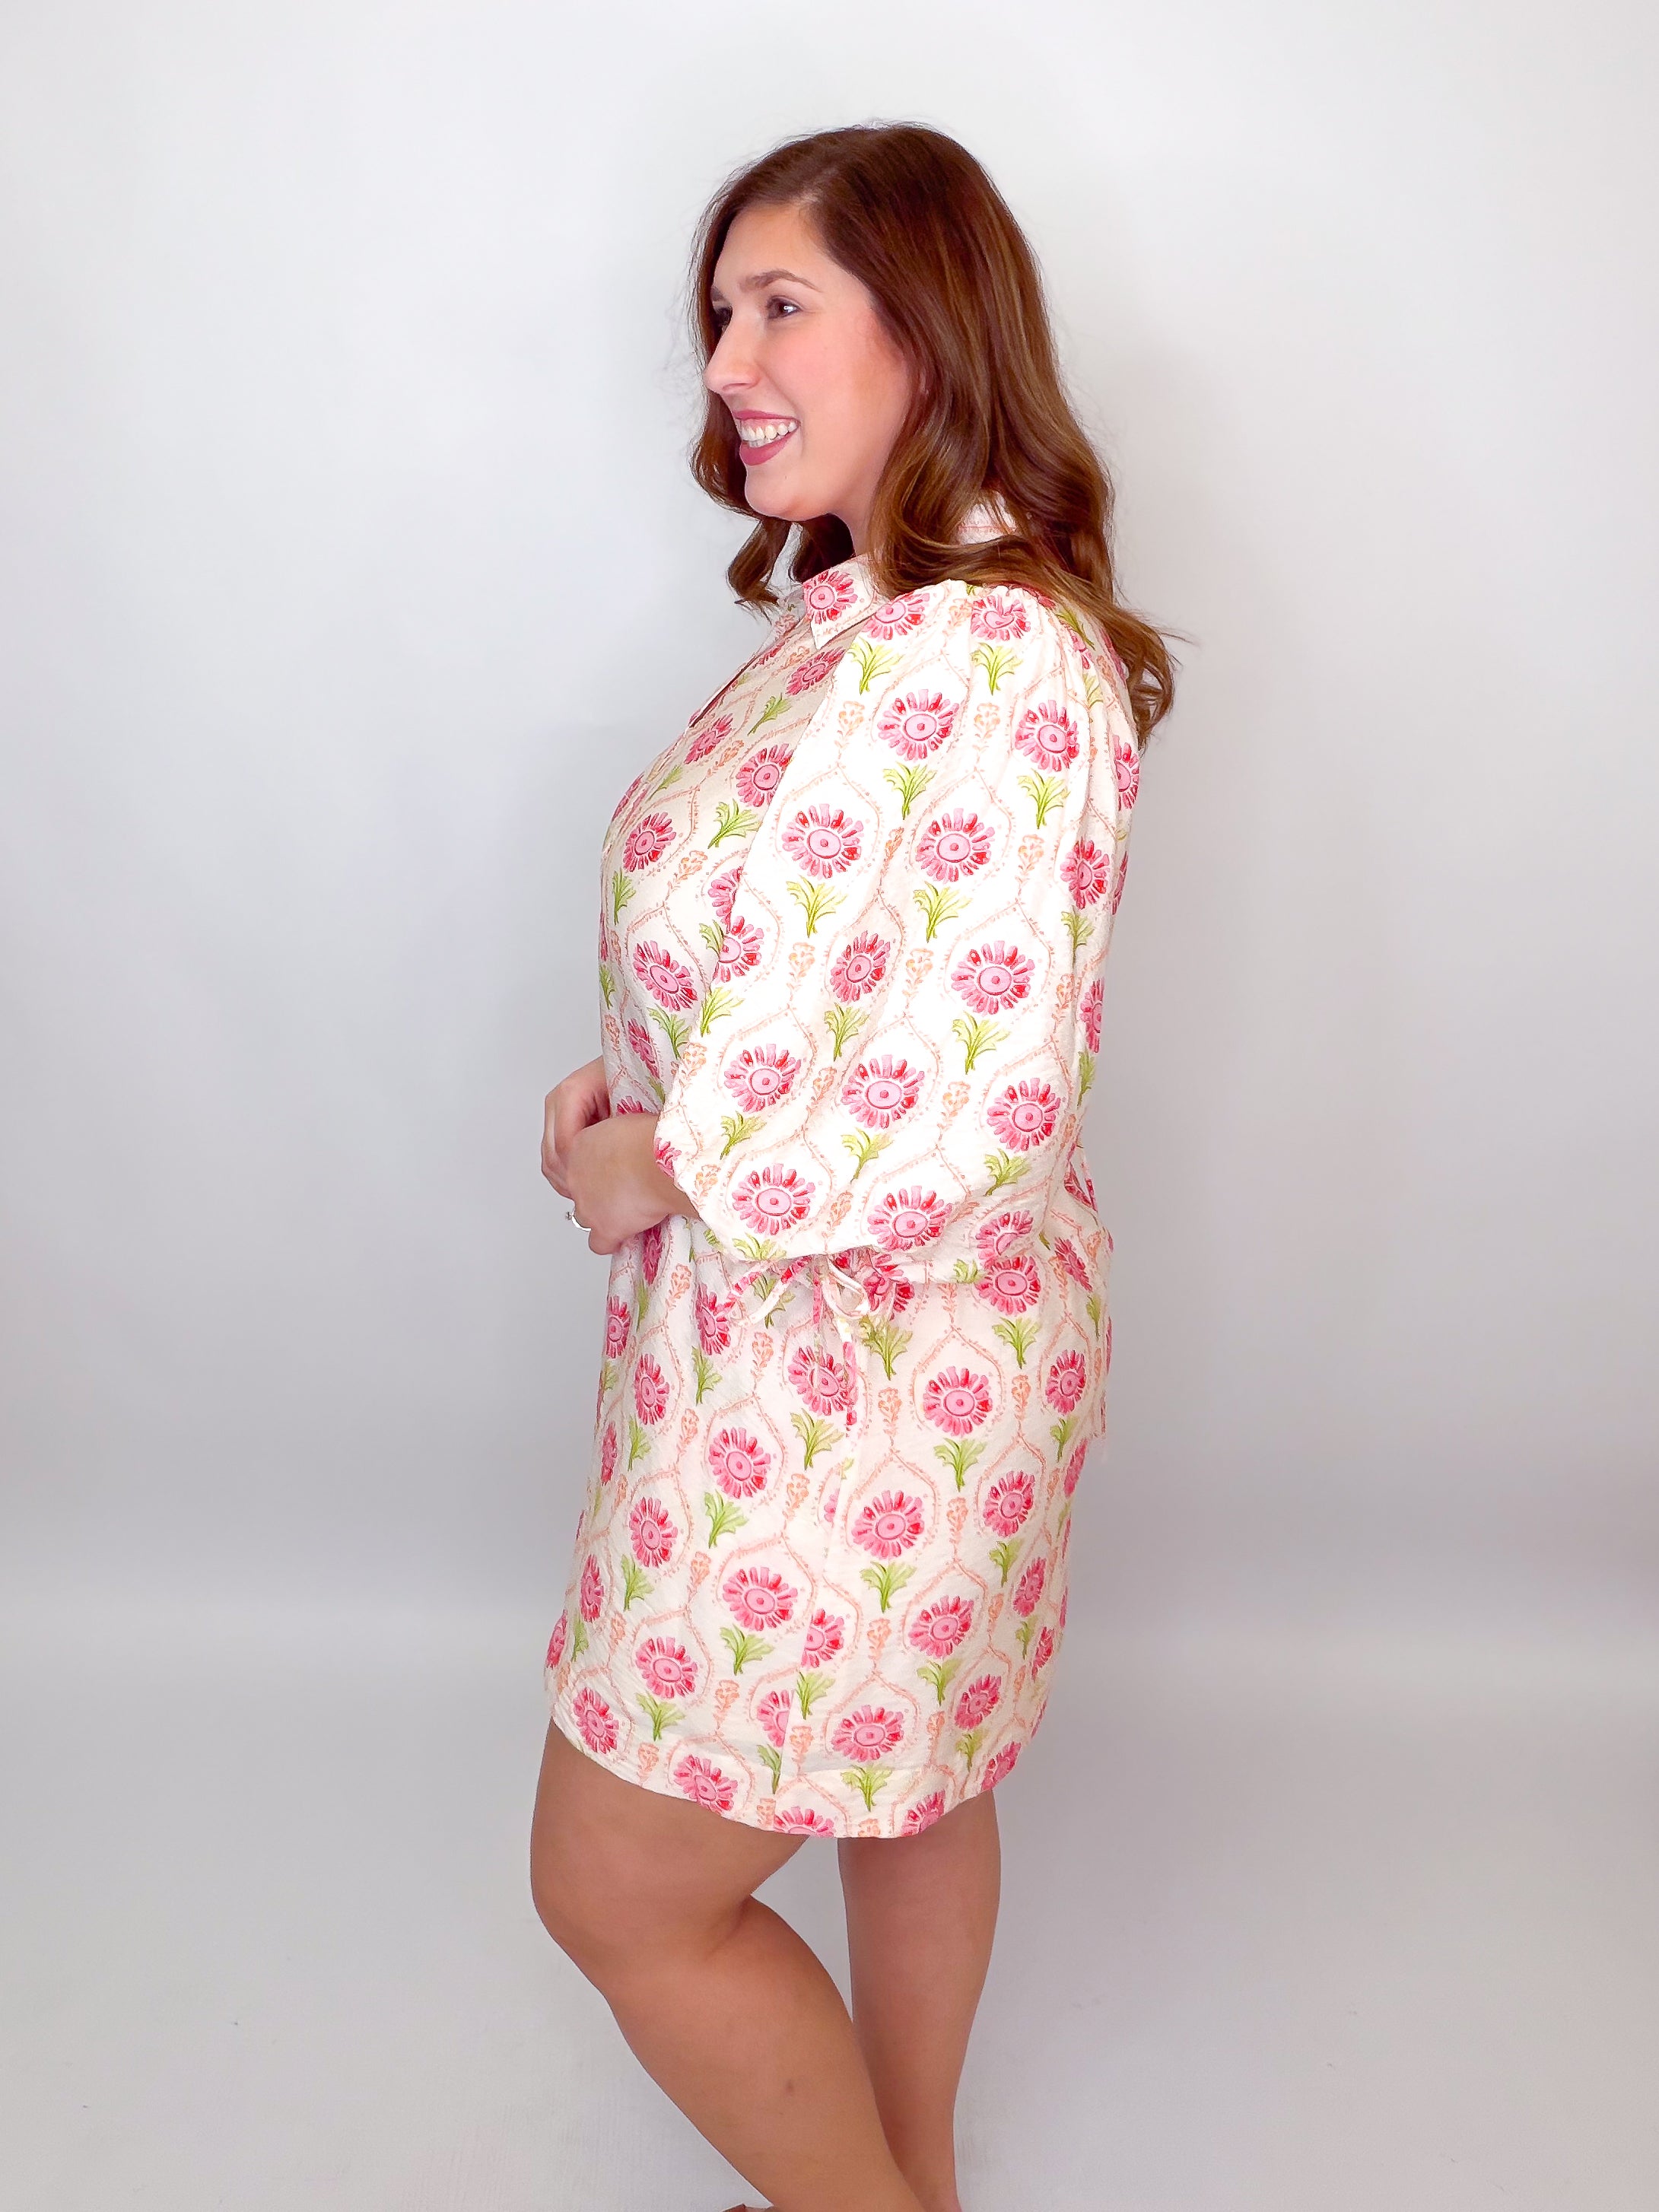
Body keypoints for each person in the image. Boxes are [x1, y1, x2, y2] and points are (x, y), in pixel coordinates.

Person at [530, 122, 1176, 2212]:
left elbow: (955, 1089)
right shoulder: (878, 621)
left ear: (932, 329)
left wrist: (657, 1169)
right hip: (841, 1360)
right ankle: (912, 2186)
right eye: (720, 310)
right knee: (914, 1795)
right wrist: (639, 1085)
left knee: (617, 1885)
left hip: (861, 1380)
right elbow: (829, 970)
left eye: (781, 303)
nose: (726, 357)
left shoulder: (985, 656)